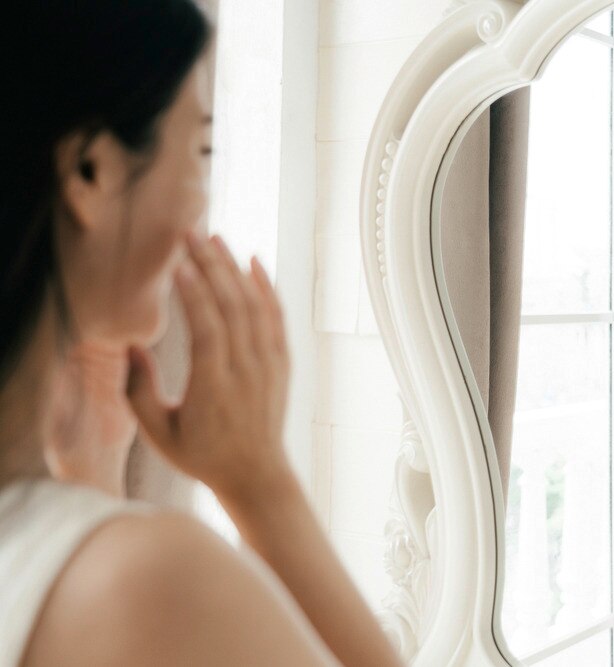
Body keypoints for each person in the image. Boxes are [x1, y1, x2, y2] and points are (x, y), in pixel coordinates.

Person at [0, 2, 403, 665]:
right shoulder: (156, 581)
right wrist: (261, 486)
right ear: (90, 172)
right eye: (202, 148)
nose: (200, 205)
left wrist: (93, 472)